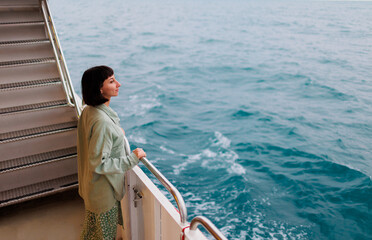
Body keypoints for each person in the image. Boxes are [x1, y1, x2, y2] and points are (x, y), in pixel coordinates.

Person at [77, 65, 146, 240]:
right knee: (104, 236)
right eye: (112, 81)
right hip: (102, 194)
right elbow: (99, 163)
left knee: (92, 233)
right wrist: (132, 158)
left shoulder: (89, 111)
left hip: (91, 187)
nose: (119, 84)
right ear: (100, 89)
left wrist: (117, 132)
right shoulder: (103, 123)